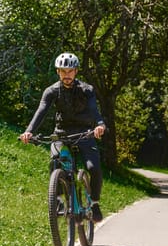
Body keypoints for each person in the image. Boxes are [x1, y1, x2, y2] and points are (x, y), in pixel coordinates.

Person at [19, 52, 106, 222]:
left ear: (76, 71)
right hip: (61, 133)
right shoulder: (51, 91)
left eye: (70, 71)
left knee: (93, 168)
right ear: (58, 72)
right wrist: (29, 130)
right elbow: (41, 110)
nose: (67, 75)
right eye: (63, 71)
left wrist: (100, 124)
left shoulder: (86, 90)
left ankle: (94, 203)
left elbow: (94, 110)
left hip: (84, 133)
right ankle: (58, 200)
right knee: (55, 162)